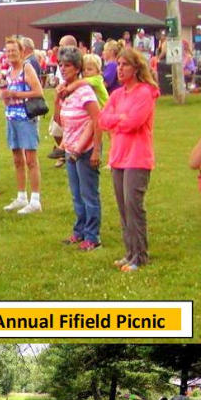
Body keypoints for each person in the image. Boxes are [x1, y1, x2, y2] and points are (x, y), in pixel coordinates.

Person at [98, 48, 159, 272]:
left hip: (137, 158)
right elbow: (103, 120)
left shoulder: (145, 92)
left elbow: (134, 122)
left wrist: (118, 121)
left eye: (125, 64)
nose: (120, 69)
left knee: (134, 207)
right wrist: (118, 118)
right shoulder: (116, 95)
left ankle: (140, 255)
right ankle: (130, 252)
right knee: (123, 208)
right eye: (119, 64)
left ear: (136, 68)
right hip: (118, 157)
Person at [54, 47, 103, 252]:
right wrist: (58, 98)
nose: (63, 69)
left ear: (77, 68)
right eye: (61, 65)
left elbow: (97, 119)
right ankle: (79, 230)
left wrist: (96, 150)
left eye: (67, 66)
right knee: (76, 193)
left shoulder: (85, 91)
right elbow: (58, 120)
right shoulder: (65, 90)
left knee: (88, 193)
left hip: (86, 148)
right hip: (70, 147)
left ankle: (93, 236)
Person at [0, 37, 45, 214]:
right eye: (8, 51)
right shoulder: (9, 70)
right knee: (17, 159)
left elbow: (38, 91)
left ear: (21, 52)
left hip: (26, 118)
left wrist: (15, 94)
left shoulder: (27, 68)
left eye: (14, 50)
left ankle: (35, 199)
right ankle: (21, 196)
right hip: (12, 117)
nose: (10, 54)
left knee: (31, 159)